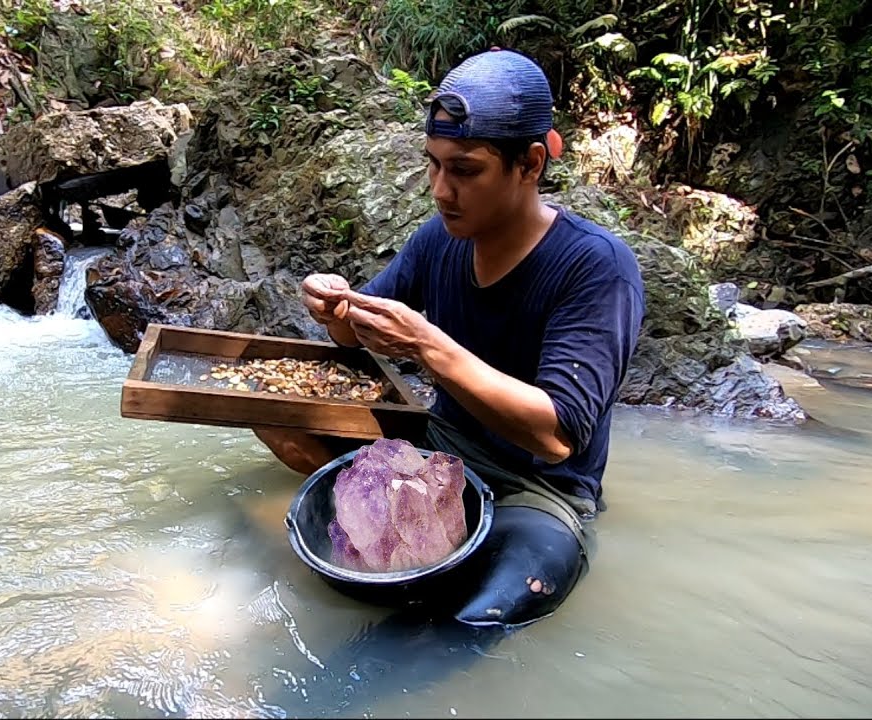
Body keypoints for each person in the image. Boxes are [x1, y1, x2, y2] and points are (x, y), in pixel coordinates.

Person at [255, 48, 646, 627]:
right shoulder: (437, 240)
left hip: (538, 487)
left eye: (464, 170)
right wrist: (333, 307)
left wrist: (426, 346)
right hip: (441, 445)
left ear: (531, 163)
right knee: (274, 413)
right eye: (433, 165)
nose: (441, 189)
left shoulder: (597, 267)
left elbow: (556, 434)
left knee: (484, 612)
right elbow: (354, 334)